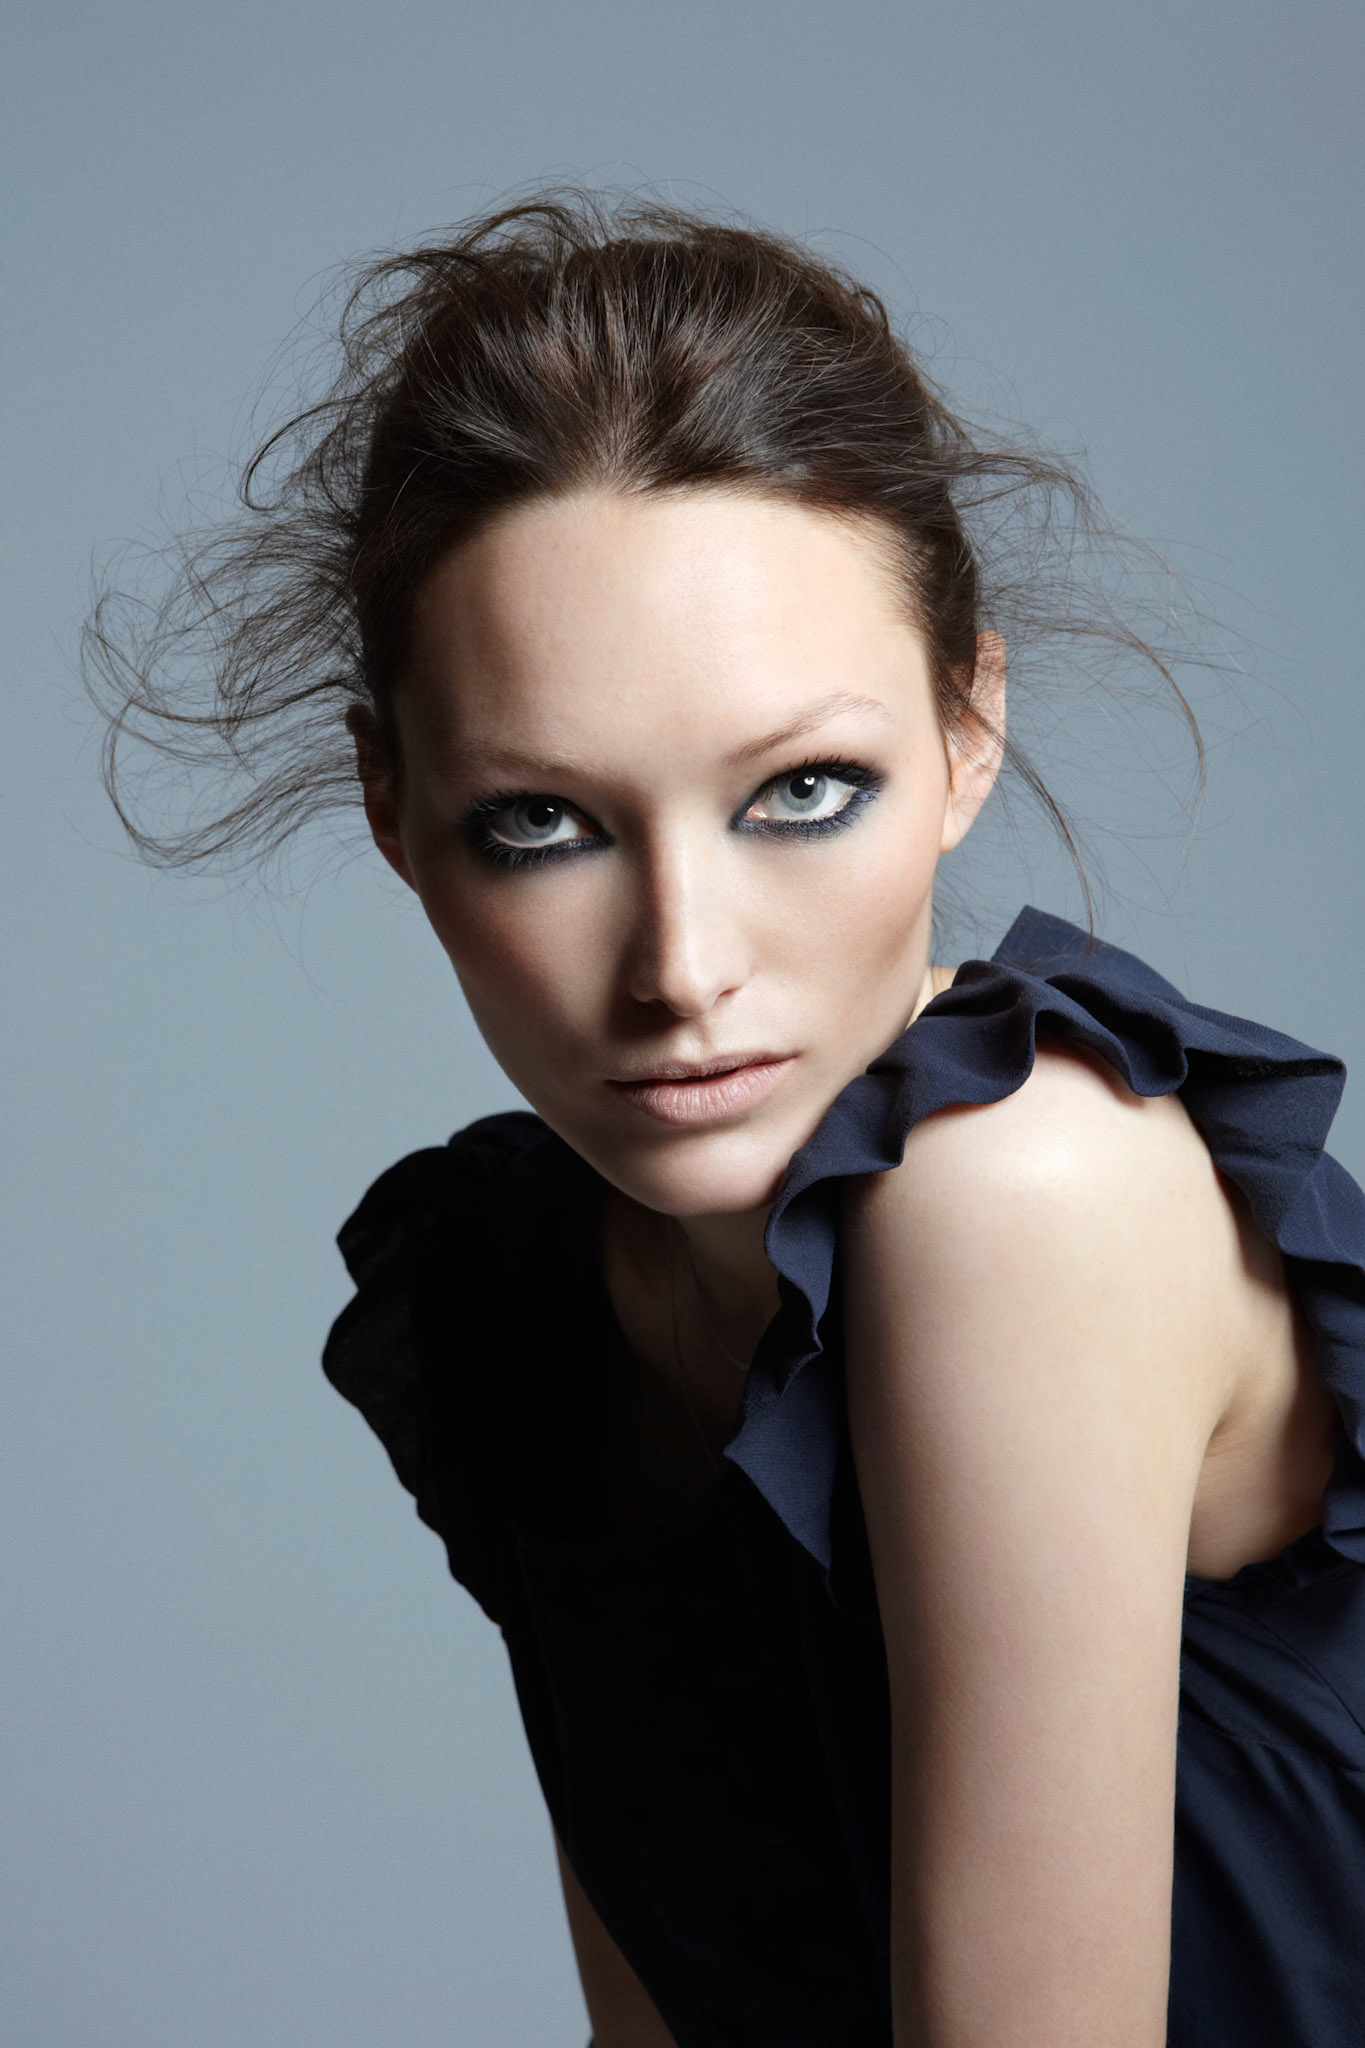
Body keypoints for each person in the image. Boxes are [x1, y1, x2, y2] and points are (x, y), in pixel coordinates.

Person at [88, 195, 1365, 2048]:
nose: (682, 967)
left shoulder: (1022, 1188)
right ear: (392, 808)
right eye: (541, 822)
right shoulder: (517, 1291)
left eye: (802, 793)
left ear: (967, 731)